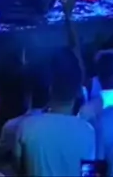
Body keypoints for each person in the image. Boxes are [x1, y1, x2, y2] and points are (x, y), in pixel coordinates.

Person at [13, 48, 95, 177]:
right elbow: (90, 174)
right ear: (78, 92)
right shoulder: (88, 131)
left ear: (50, 89)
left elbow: (17, 167)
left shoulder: (27, 127)